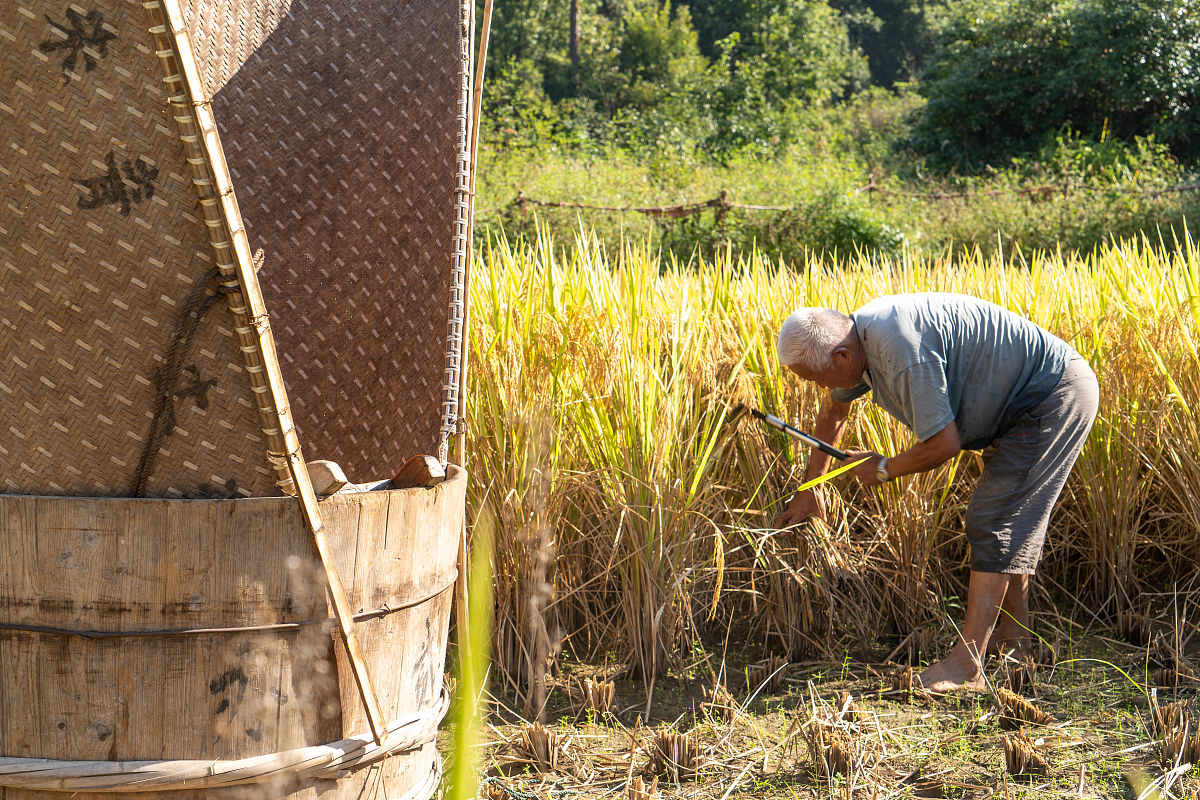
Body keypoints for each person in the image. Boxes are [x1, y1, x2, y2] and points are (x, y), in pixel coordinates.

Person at [773, 293, 1098, 692]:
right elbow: (833, 413)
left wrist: (883, 467)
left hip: (1049, 395)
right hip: (1017, 407)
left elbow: (944, 444)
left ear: (842, 357)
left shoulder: (899, 349)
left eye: (817, 378)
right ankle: (1015, 640)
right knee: (1009, 516)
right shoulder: (856, 344)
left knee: (993, 518)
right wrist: (810, 487)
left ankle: (968, 667)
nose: (821, 386)